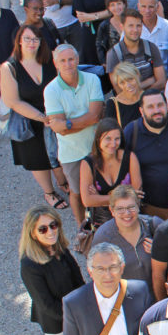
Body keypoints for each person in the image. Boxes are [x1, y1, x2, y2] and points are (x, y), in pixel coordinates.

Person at [19, 204, 87, 335]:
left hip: (74, 311)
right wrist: (74, 317)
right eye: (43, 229)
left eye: (53, 225)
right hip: (55, 319)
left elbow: (78, 280)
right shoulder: (29, 265)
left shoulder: (60, 249)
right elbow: (45, 303)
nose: (50, 231)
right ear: (32, 233)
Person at [0, 25, 64, 208]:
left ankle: (63, 181)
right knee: (38, 159)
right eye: (27, 39)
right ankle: (49, 192)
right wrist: (41, 117)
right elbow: (13, 101)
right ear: (19, 40)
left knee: (58, 153)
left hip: (53, 115)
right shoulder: (9, 67)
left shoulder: (50, 59)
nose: (31, 43)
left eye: (35, 39)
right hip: (28, 119)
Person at [45, 45, 105, 225]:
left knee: (100, 188)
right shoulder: (51, 90)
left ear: (77, 60)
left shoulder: (92, 79)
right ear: (56, 63)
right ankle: (82, 228)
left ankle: (103, 223)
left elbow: (95, 116)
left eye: (71, 59)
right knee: (76, 193)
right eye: (63, 60)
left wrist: (68, 123)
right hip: (71, 152)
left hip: (96, 146)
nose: (68, 64)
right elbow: (59, 129)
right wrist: (86, 120)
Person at [92, 185, 160, 284]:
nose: (127, 213)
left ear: (138, 206)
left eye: (131, 207)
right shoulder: (103, 237)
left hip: (159, 295)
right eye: (120, 209)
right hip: (127, 297)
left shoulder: (153, 225)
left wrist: (161, 252)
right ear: (112, 210)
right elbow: (98, 275)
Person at [80, 119, 142, 228]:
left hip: (129, 220)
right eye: (108, 138)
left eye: (117, 139)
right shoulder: (87, 163)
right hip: (102, 224)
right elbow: (87, 200)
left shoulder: (130, 157)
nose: (113, 144)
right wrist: (124, 197)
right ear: (98, 138)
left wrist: (100, 198)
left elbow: (137, 195)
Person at [106, 9, 167, 91]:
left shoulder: (151, 47)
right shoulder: (114, 54)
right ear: (122, 27)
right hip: (130, 102)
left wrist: (138, 91)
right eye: (131, 26)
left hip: (152, 98)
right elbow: (119, 90)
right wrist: (150, 81)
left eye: (138, 26)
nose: (135, 30)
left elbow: (161, 82)